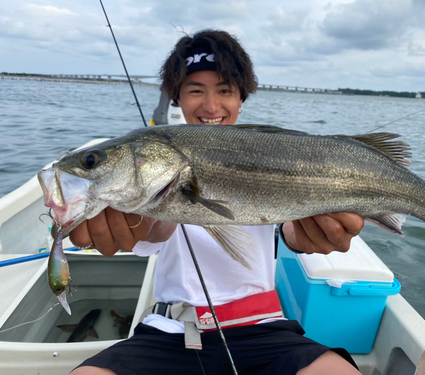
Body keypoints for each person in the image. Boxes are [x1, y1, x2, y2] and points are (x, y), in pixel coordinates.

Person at [70, 29, 364, 375]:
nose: (211, 106)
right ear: (177, 98)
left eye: (225, 91)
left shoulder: (269, 152)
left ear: (242, 98)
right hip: (171, 330)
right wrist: (137, 224)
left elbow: (290, 231)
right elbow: (157, 228)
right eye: (196, 91)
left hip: (264, 327)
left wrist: (315, 236)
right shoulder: (153, 168)